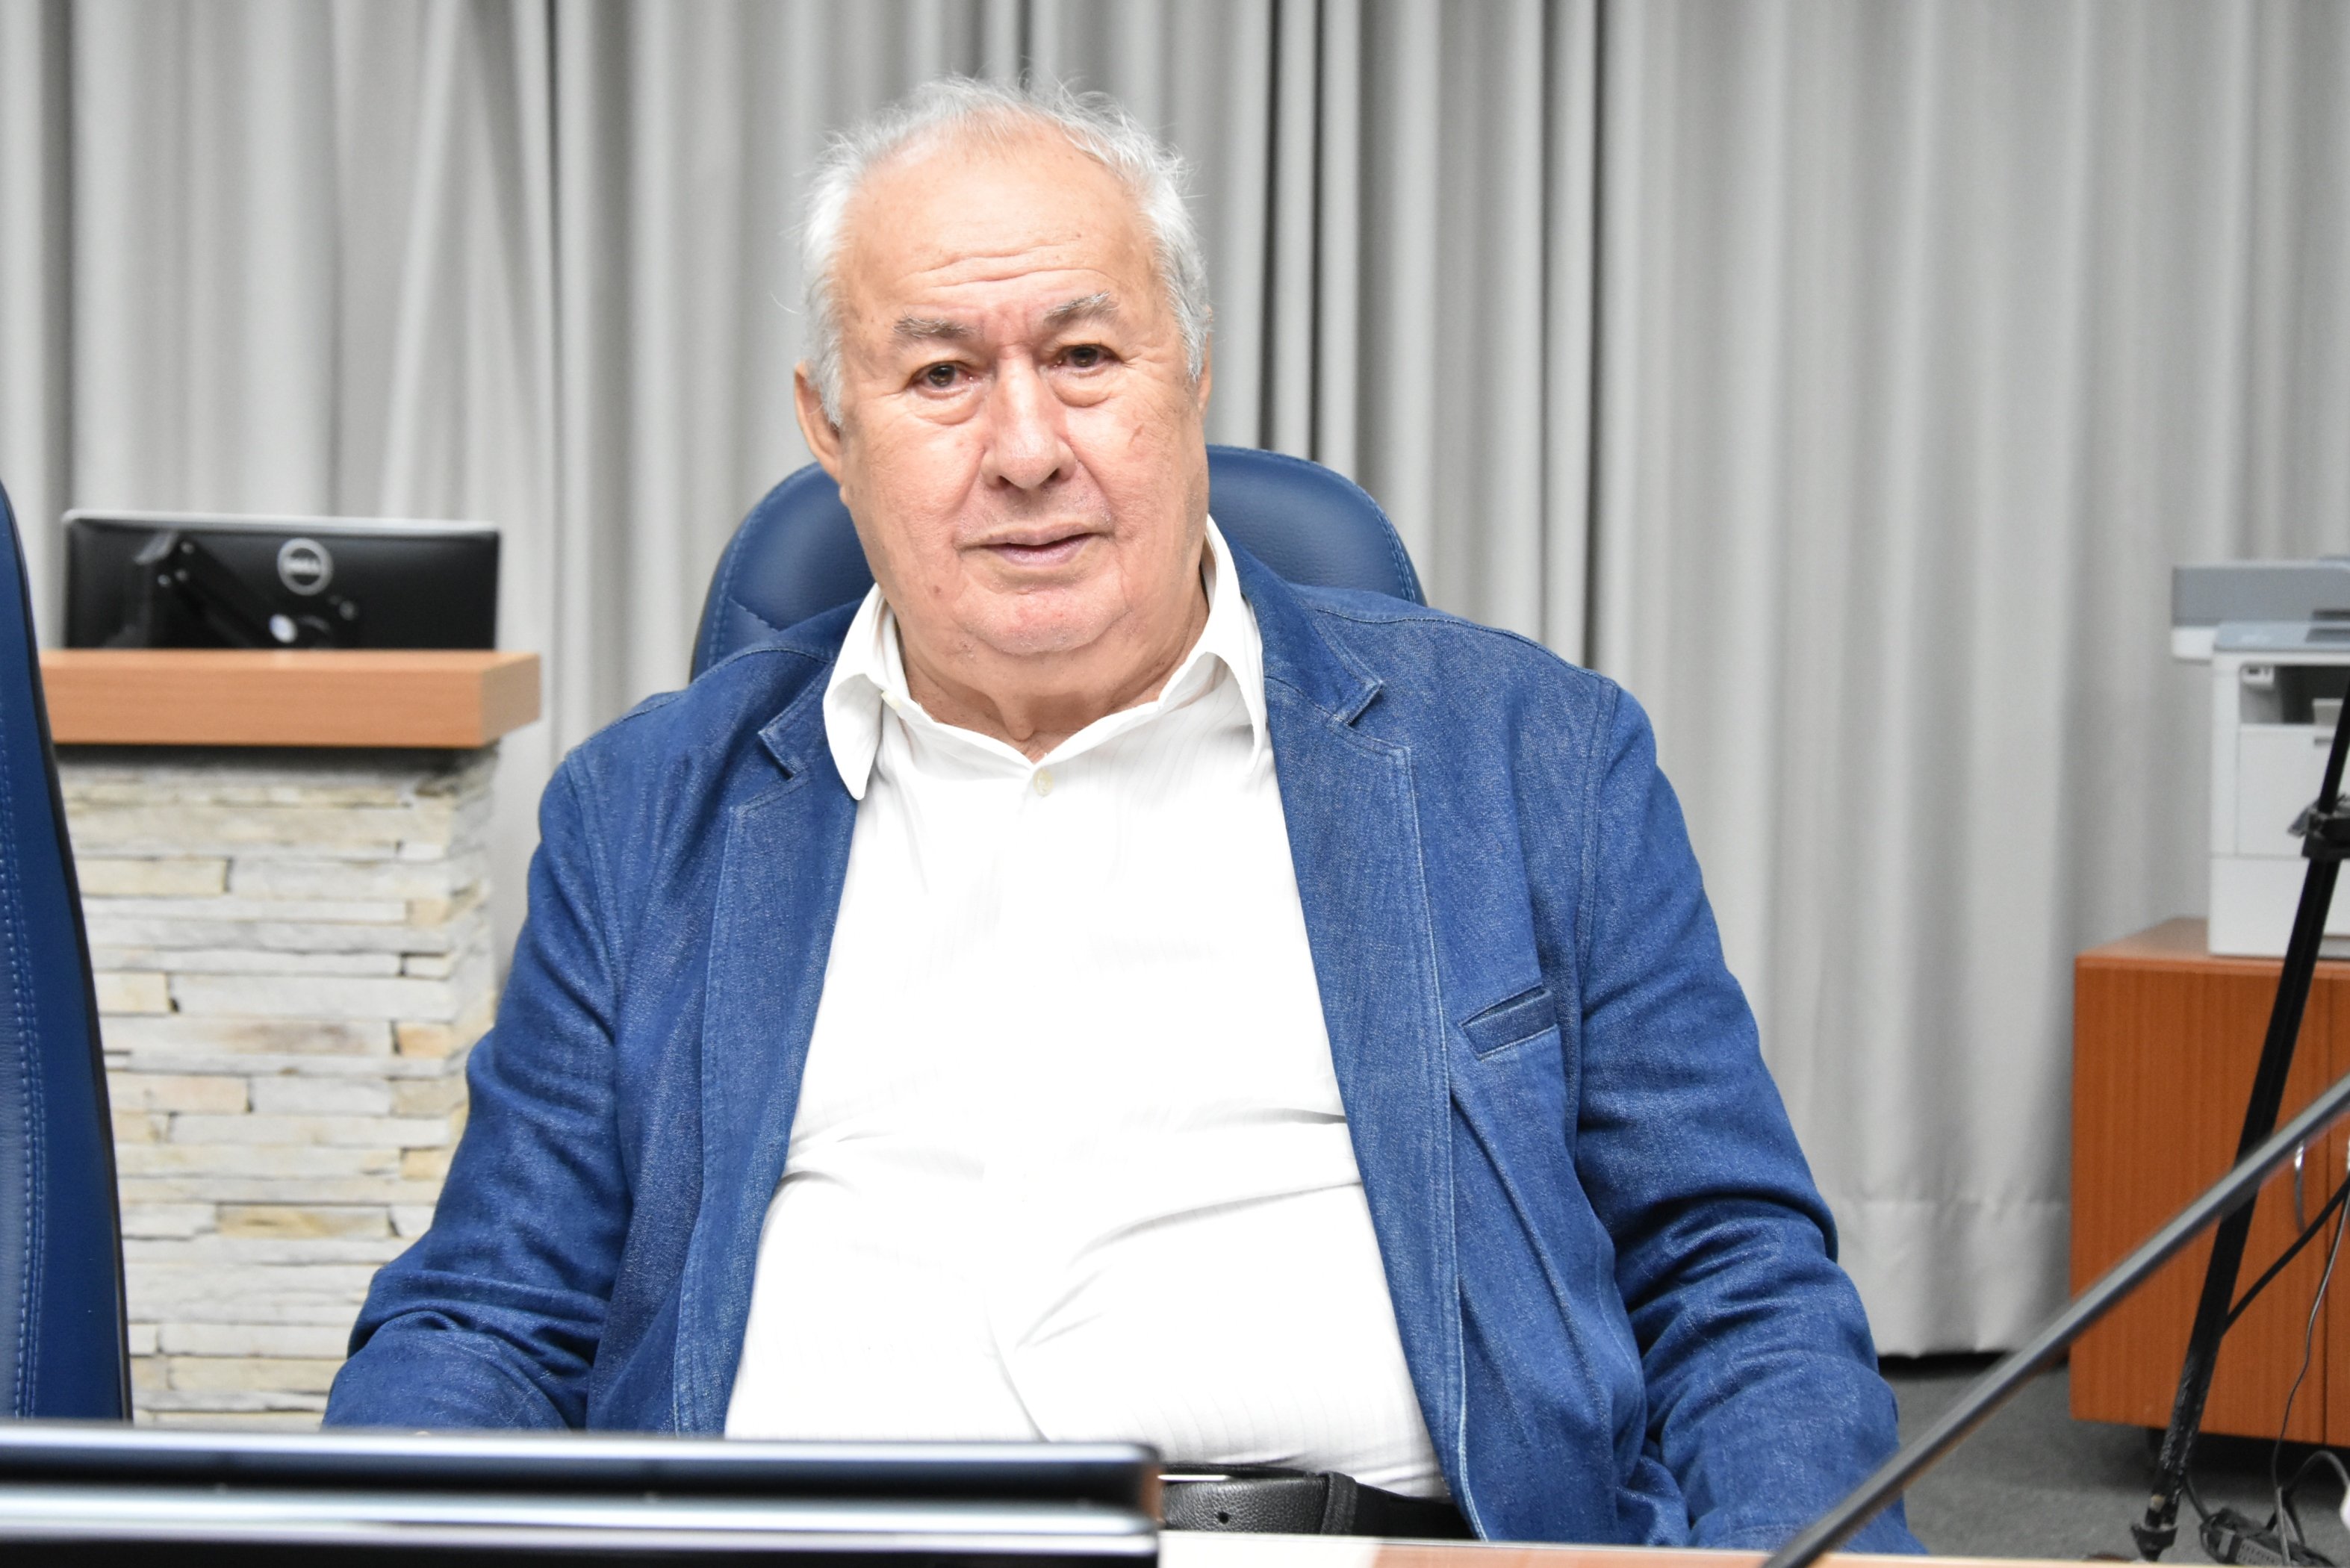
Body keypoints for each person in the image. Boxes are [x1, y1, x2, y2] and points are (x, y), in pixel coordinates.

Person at [325, 77, 1919, 1552]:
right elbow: (491, 1319)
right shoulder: (640, 815)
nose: (1026, 450)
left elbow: (1730, 1280)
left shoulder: (1530, 760)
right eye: (940, 375)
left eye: (1084, 358)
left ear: (1190, 377)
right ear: (829, 428)